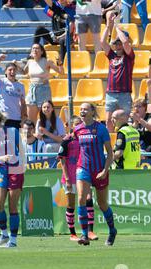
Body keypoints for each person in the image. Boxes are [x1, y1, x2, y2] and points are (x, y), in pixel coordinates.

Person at [73, 102, 117, 246]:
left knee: (102, 204)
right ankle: (85, 235)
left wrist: (105, 170)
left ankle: (112, 230)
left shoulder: (101, 129)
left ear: (93, 112)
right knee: (81, 198)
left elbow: (110, 153)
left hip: (99, 170)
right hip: (83, 169)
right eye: (81, 109)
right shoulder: (77, 129)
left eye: (85, 109)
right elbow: (71, 145)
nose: (82, 111)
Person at [0, 109, 26, 248]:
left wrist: (21, 167)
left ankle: (13, 240)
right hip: (1, 171)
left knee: (13, 206)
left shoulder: (13, 131)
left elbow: (21, 151)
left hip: (16, 171)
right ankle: (4, 234)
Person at [58, 115, 99, 241]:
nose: (79, 126)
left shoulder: (84, 139)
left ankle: (90, 231)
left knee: (88, 199)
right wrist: (67, 179)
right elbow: (63, 161)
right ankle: (73, 234)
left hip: (83, 174)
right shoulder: (66, 141)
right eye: (76, 124)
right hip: (70, 176)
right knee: (71, 204)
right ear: (71, 126)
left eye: (80, 124)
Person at [14, 43, 63, 123]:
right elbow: (23, 72)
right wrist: (16, 65)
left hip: (43, 90)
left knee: (45, 119)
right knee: (30, 120)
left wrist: (59, 63)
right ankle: (31, 135)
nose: (35, 50)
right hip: (32, 90)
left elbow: (61, 72)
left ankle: (46, 134)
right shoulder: (30, 62)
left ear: (42, 51)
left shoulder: (47, 61)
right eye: (33, 48)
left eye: (37, 48)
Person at [101, 13, 135, 131]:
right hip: (111, 93)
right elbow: (103, 42)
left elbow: (126, 43)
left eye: (120, 43)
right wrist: (108, 25)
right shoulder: (112, 56)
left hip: (124, 94)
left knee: (124, 121)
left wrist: (115, 26)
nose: (119, 46)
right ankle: (110, 145)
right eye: (117, 43)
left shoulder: (129, 56)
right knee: (108, 120)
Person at [0, 54, 28, 129]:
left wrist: (24, 117)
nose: (12, 72)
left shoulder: (21, 86)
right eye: (10, 70)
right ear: (5, 72)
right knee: (3, 139)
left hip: (16, 119)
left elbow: (23, 104)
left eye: (14, 70)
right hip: (3, 119)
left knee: (14, 140)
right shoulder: (2, 82)